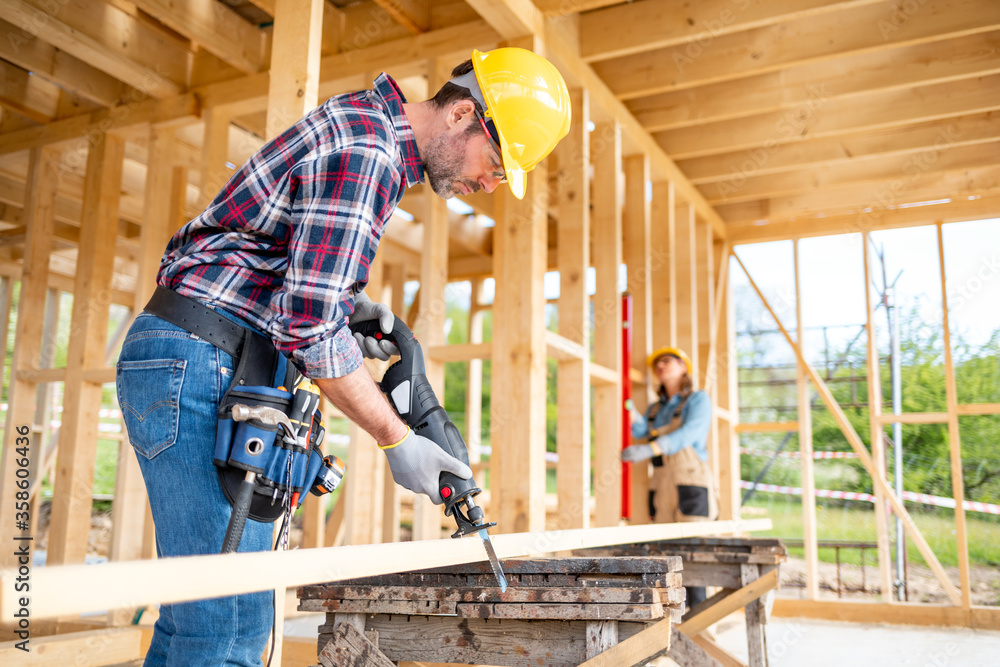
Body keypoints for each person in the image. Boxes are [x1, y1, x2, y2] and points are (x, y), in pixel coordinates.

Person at [116, 47, 570, 666]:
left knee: (198, 620)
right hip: (206, 359)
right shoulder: (369, 154)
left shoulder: (365, 129)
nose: (490, 185)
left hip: (204, 354)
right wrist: (397, 439)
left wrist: (350, 307)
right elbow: (307, 326)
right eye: (495, 163)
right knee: (230, 628)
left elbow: (291, 270)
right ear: (463, 114)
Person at [622, 346, 717, 609]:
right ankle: (672, 623)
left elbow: (688, 433)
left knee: (691, 553)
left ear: (683, 366)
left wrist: (651, 448)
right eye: (657, 364)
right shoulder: (656, 408)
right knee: (664, 550)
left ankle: (699, 621)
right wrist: (628, 409)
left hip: (691, 481)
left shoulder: (698, 399)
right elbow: (641, 430)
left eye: (667, 361)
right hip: (661, 483)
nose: (660, 366)